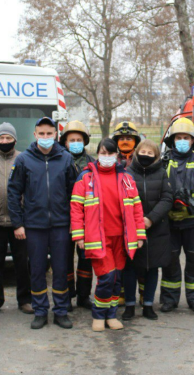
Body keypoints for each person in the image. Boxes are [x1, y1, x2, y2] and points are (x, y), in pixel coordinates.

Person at [7, 116, 78, 330]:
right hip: (34, 225)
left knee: (61, 269)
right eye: (42, 133)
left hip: (61, 225)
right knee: (37, 270)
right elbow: (13, 192)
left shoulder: (66, 159)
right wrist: (18, 223)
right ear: (35, 134)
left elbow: (74, 193)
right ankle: (40, 311)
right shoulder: (23, 160)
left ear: (55, 135)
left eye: (49, 133)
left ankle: (61, 311)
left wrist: (74, 222)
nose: (45, 137)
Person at [70, 139, 147, 331]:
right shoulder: (85, 177)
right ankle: (98, 314)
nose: (106, 157)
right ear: (97, 154)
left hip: (122, 238)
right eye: (103, 153)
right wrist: (79, 236)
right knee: (106, 278)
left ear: (116, 155)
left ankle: (111, 315)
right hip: (97, 238)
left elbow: (137, 208)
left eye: (110, 153)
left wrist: (139, 235)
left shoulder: (126, 178)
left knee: (116, 279)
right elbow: (76, 208)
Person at [159, 117, 194, 313]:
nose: (182, 141)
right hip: (170, 224)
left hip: (193, 224)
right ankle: (169, 299)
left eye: (186, 138)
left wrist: (191, 207)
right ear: (173, 140)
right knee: (169, 263)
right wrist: (167, 208)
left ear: (193, 140)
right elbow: (156, 188)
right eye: (178, 137)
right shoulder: (163, 161)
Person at [0, 123, 32, 316]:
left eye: (8, 138)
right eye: (1, 138)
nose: (5, 141)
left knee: (22, 263)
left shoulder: (24, 159)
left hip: (19, 223)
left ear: (15, 140)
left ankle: (25, 300)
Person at [122, 139, 173, 320]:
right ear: (136, 153)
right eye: (143, 152)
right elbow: (123, 199)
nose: (146, 155)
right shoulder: (127, 173)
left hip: (156, 229)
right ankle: (129, 305)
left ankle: (148, 305)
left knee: (152, 268)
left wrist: (151, 219)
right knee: (130, 267)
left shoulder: (162, 173)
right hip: (132, 229)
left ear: (156, 156)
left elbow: (167, 198)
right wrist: (136, 221)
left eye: (150, 153)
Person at [59, 120, 96, 309]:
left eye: (78, 140)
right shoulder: (58, 160)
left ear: (85, 141)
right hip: (63, 217)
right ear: (65, 142)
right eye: (71, 140)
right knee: (64, 259)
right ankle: (66, 296)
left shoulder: (92, 163)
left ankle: (83, 295)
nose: (75, 143)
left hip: (87, 218)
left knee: (86, 258)